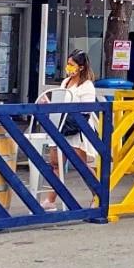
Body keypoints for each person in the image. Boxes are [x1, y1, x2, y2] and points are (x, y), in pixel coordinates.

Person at [38, 49, 97, 210]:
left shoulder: (87, 86)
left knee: (81, 164)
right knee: (56, 164)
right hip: (60, 126)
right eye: (68, 64)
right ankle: (50, 200)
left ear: (81, 67)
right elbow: (59, 104)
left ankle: (97, 195)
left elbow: (86, 111)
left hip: (76, 129)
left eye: (72, 65)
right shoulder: (65, 83)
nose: (68, 67)